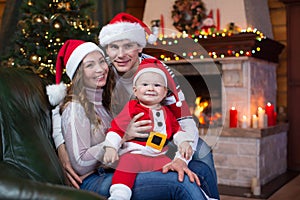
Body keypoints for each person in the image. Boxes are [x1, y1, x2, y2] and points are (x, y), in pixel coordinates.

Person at [46, 39, 214, 200]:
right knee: (182, 183)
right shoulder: (75, 107)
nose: (100, 69)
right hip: (94, 179)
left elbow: (177, 119)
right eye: (90, 65)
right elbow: (80, 164)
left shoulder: (106, 99)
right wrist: (123, 137)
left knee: (201, 169)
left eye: (101, 62)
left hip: (120, 167)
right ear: (78, 74)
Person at [104, 58, 195, 199]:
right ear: (135, 90)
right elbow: (116, 129)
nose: (151, 88)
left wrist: (183, 142)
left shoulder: (167, 112)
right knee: (126, 165)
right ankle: (119, 195)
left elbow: (177, 131)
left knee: (178, 170)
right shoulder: (132, 108)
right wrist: (111, 147)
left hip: (159, 155)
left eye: (157, 85)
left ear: (165, 92)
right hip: (136, 154)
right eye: (145, 84)